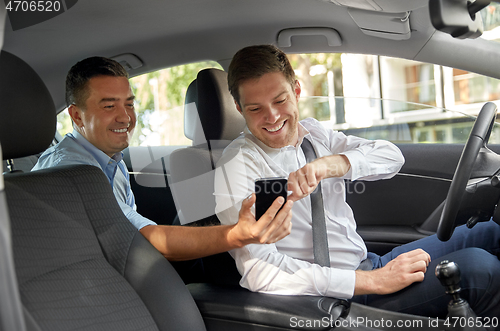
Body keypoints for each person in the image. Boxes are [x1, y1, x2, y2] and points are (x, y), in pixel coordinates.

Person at [214, 44, 500, 319]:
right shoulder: (240, 165)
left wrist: (335, 163)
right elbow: (263, 272)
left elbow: (391, 156)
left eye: (280, 100)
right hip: (334, 296)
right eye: (255, 109)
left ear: (297, 90)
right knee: (479, 268)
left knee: (492, 231)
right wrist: (372, 281)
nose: (273, 116)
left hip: (369, 264)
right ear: (239, 109)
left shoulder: (314, 136)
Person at [32, 56, 293, 262]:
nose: (126, 117)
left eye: (130, 104)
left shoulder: (110, 159)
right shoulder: (72, 172)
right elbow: (145, 239)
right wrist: (238, 234)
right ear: (77, 116)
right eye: (109, 106)